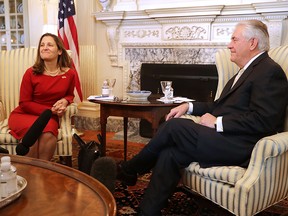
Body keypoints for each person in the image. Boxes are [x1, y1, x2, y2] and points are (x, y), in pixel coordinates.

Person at [117, 20, 288, 215]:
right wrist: (188, 106)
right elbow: (218, 106)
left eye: (234, 39)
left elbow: (264, 120)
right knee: (170, 153)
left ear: (252, 43)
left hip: (242, 147)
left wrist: (218, 122)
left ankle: (130, 169)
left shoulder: (269, 71)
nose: (229, 45)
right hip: (225, 139)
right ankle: (147, 212)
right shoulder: (245, 72)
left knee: (174, 127)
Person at [8, 33, 76, 161]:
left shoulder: (70, 74)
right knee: (32, 134)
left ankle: (43, 172)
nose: (45, 47)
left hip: (49, 117)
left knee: (49, 131)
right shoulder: (31, 73)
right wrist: (50, 111)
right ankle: (29, 174)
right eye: (42, 45)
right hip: (25, 114)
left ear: (60, 51)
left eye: (50, 45)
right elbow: (24, 103)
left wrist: (65, 101)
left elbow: (69, 94)